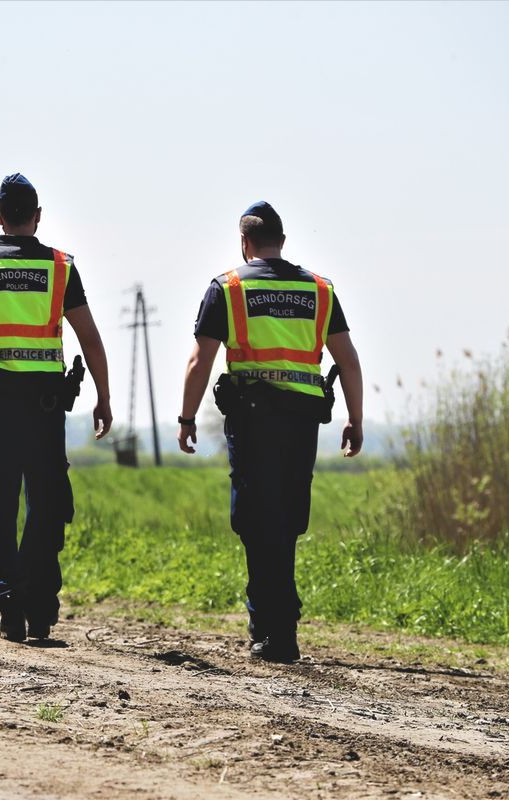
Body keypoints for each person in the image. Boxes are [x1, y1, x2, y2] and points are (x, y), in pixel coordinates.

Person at [176, 201, 363, 663]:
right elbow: (348, 359)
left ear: (245, 244)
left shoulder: (229, 287)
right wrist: (355, 419)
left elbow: (201, 360)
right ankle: (281, 626)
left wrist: (185, 418)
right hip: (301, 424)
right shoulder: (319, 290)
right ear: (282, 241)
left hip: (253, 421)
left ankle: (272, 629)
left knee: (257, 522)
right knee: (286, 519)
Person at [0, 173, 113, 643]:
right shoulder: (60, 268)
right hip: (44, 409)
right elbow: (89, 338)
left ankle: (9, 604)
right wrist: (104, 398)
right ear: (37, 217)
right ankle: (38, 607)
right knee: (47, 506)